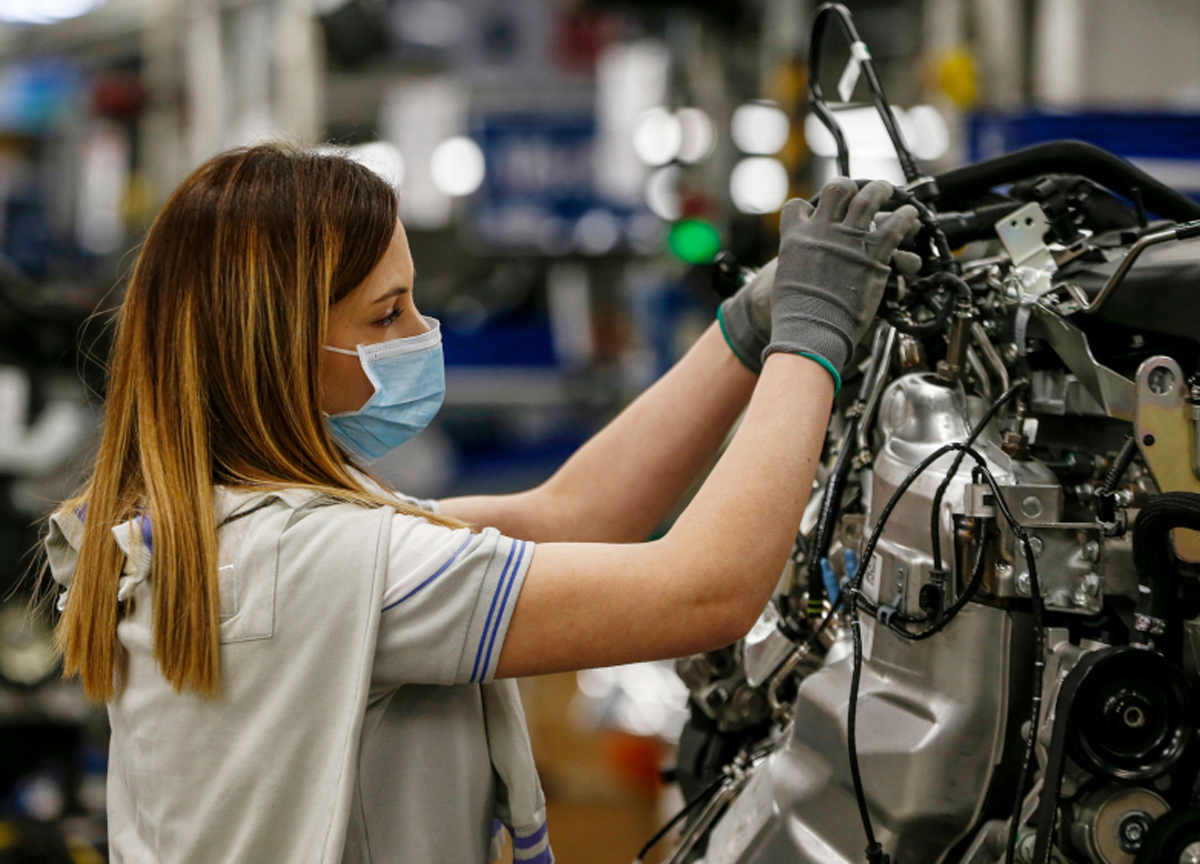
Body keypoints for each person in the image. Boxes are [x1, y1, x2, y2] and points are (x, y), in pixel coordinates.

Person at [42, 144, 918, 864]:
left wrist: (750, 323)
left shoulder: (220, 530)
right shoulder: (332, 568)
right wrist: (813, 342)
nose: (422, 333)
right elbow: (707, 590)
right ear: (272, 349)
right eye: (386, 316)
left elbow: (572, 514)